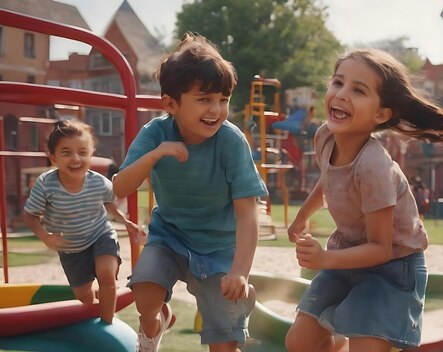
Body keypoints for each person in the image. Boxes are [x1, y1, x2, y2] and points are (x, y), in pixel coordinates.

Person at [284, 49, 443, 352]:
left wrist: (324, 259)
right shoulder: (325, 137)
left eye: (358, 90)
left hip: (393, 268)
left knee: (367, 348)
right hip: (349, 255)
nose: (341, 94)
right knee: (300, 343)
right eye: (338, 83)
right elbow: (329, 179)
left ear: (381, 114)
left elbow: (381, 249)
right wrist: (302, 216)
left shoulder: (374, 167)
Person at [112, 32, 268, 352]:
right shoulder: (155, 133)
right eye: (204, 99)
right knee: (144, 293)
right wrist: (156, 154)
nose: (216, 109)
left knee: (224, 338)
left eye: (223, 99)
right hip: (169, 235)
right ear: (171, 104)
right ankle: (155, 324)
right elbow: (120, 187)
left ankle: (236, 304)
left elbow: (247, 213)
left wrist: (240, 271)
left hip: (218, 245)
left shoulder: (231, 141)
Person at [23, 119, 142, 325]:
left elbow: (109, 203)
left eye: (83, 152)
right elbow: (30, 214)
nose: (76, 158)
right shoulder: (46, 185)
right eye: (66, 152)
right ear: (53, 157)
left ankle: (108, 324)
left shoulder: (98, 182)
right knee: (85, 297)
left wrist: (125, 222)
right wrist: (45, 237)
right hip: (71, 249)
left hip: (100, 235)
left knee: (106, 274)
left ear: (91, 154)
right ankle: (100, 307)